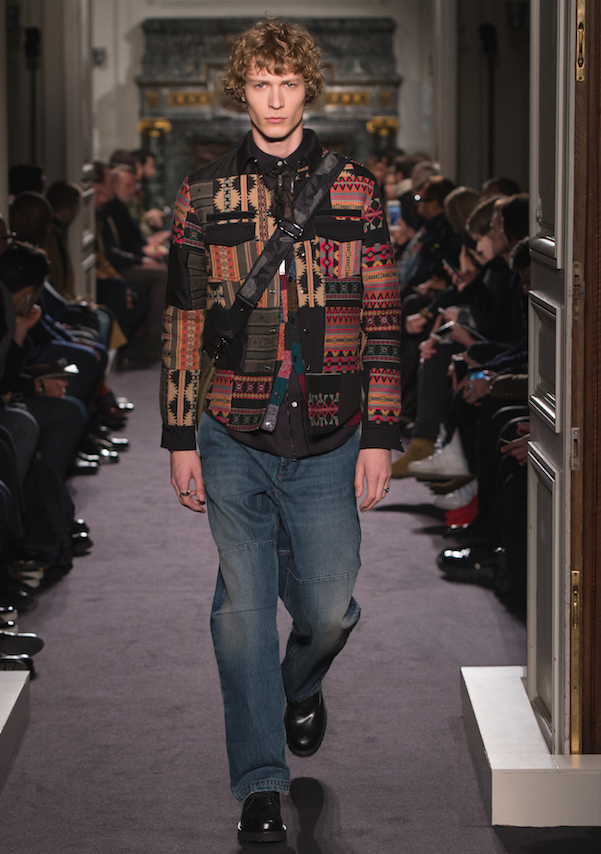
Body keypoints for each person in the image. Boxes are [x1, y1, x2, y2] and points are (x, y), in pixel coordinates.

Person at [160, 17, 401, 844]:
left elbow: (382, 311)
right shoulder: (202, 193)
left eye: (287, 83)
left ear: (307, 89)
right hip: (232, 428)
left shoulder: (356, 189)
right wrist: (179, 437)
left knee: (329, 608)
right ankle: (260, 785)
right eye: (261, 83)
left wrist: (382, 434)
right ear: (243, 90)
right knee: (241, 613)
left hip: (332, 430)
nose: (273, 98)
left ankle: (302, 683)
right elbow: (184, 317)